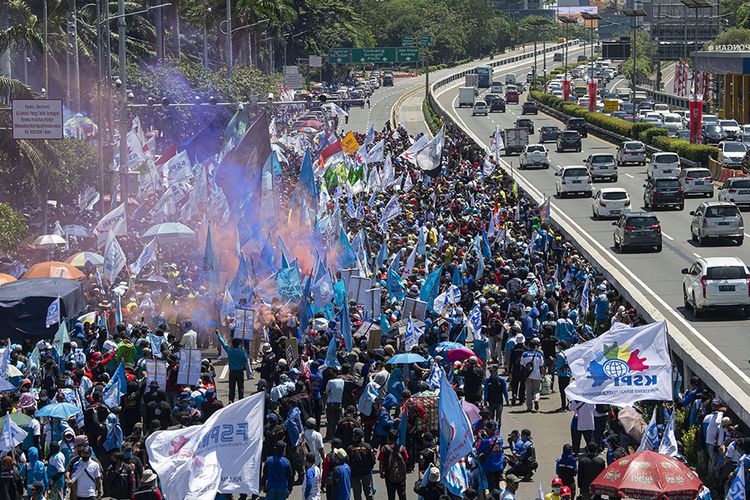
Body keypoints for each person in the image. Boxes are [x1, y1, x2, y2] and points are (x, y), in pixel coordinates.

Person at [215, 329, 249, 403]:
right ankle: (241, 400)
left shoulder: (230, 350)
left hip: (232, 372)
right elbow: (245, 361)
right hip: (240, 372)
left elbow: (223, 343)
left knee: (232, 387)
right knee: (241, 387)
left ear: (232, 344)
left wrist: (218, 335)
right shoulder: (242, 352)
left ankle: (231, 400)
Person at [378, 430, 408, 500]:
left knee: (391, 495)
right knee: (402, 495)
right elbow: (406, 459)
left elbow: (381, 462)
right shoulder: (402, 448)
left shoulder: (384, 448)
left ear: (388, 438)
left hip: (389, 475)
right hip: (401, 476)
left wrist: (381, 472)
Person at [347, 428, 375, 500]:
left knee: (357, 494)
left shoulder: (350, 448)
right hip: (366, 473)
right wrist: (369, 468)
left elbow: (347, 462)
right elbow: (373, 460)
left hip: (355, 474)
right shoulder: (367, 446)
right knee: (368, 492)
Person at [520, 338, 545, 413]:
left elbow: (521, 365)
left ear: (528, 346)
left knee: (528, 391)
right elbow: (542, 367)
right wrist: (543, 375)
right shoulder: (539, 355)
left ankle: (529, 407)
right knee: (536, 390)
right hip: (537, 375)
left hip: (527, 376)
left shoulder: (524, 354)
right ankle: (536, 399)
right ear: (536, 346)